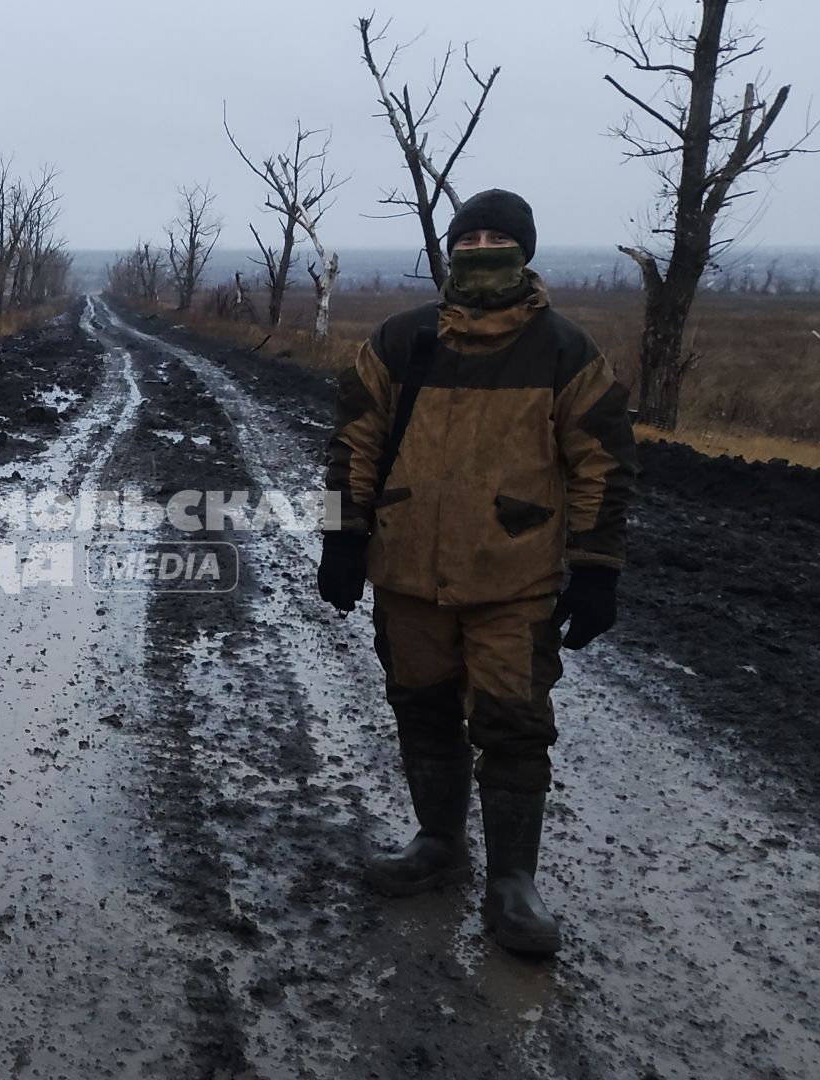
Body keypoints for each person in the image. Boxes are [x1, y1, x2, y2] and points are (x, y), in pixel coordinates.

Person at [317, 189, 638, 956]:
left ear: (525, 251)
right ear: (450, 249)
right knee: (421, 710)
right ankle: (438, 842)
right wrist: (340, 541)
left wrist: (598, 568)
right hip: (406, 576)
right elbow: (349, 449)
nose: (483, 249)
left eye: (500, 237)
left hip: (513, 581)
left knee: (514, 726)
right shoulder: (400, 341)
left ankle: (512, 884)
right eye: (471, 237)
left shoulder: (565, 350)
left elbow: (603, 466)